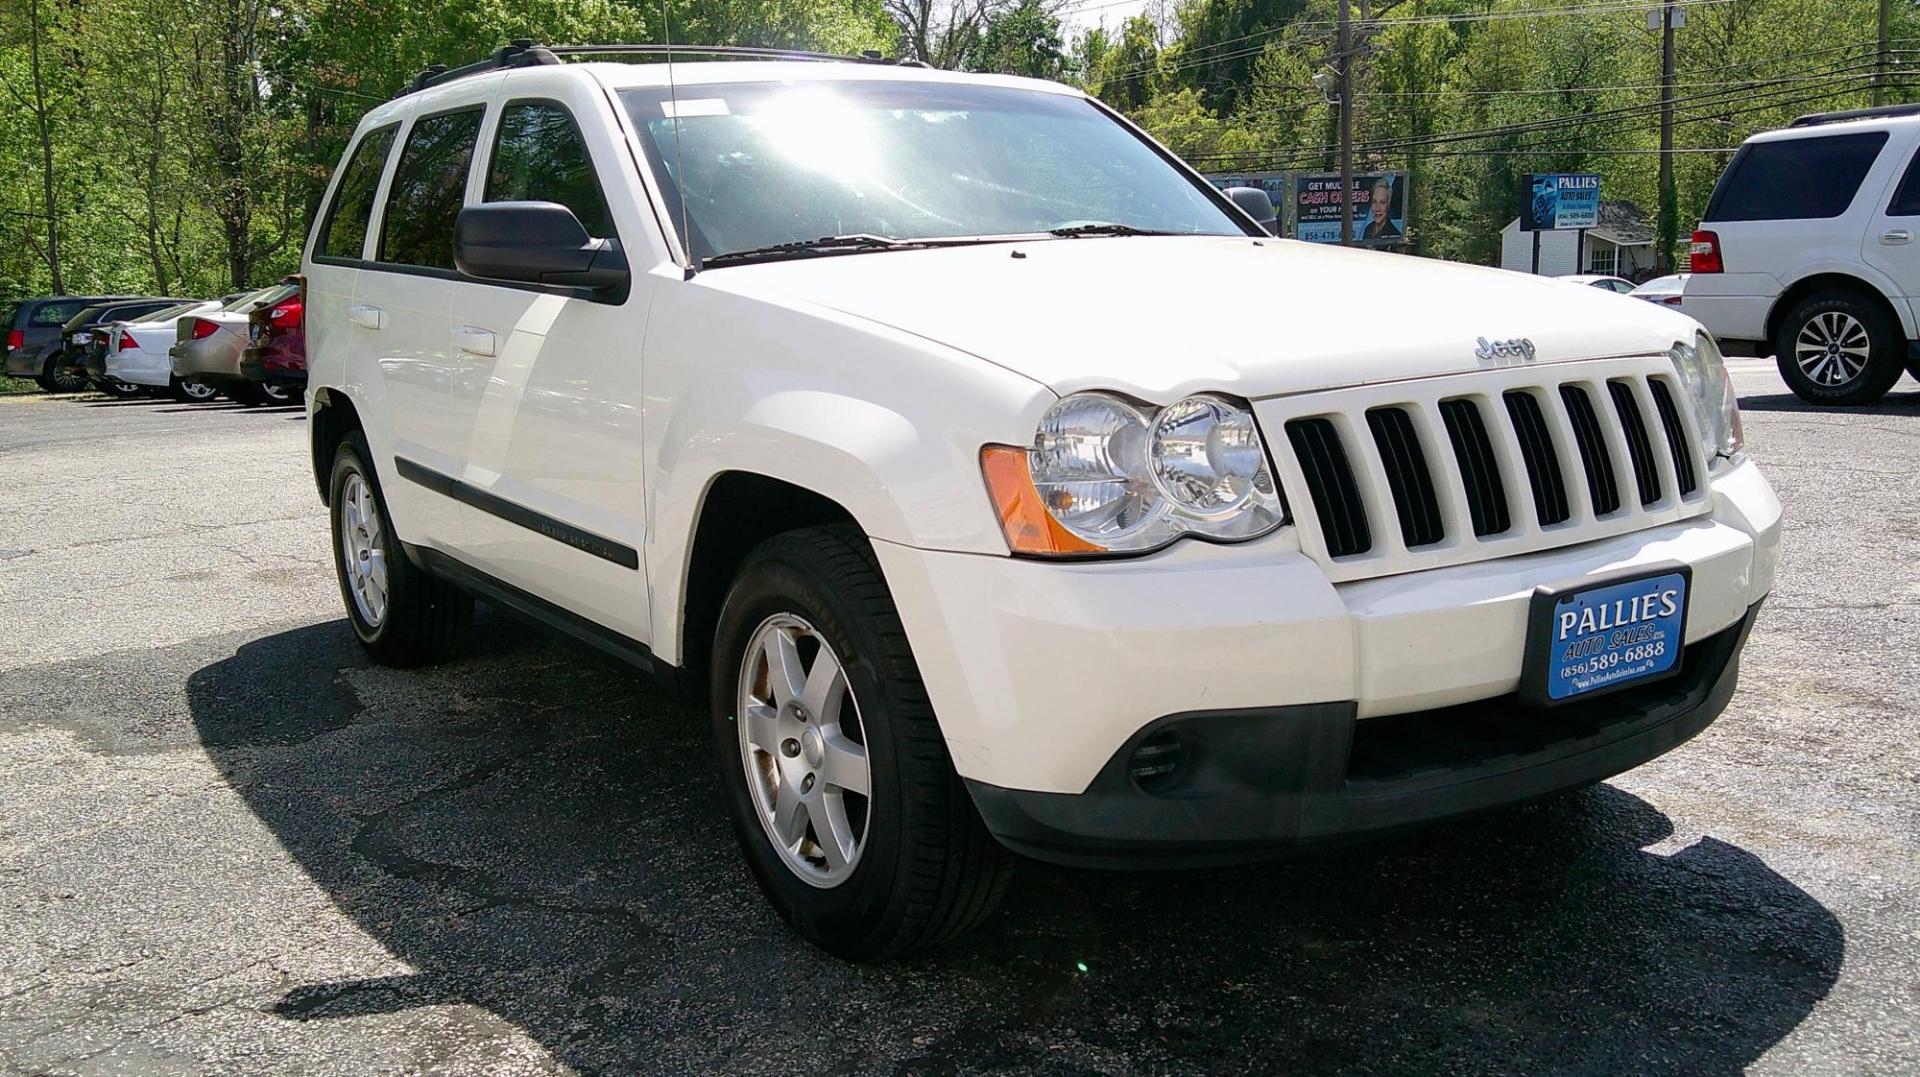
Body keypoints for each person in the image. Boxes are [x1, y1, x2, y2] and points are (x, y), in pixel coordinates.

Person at [1363, 177, 1401, 243]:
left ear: (1388, 203)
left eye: (1382, 202)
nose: (1377, 208)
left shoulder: (1394, 234)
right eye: (1374, 202)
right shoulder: (1367, 229)